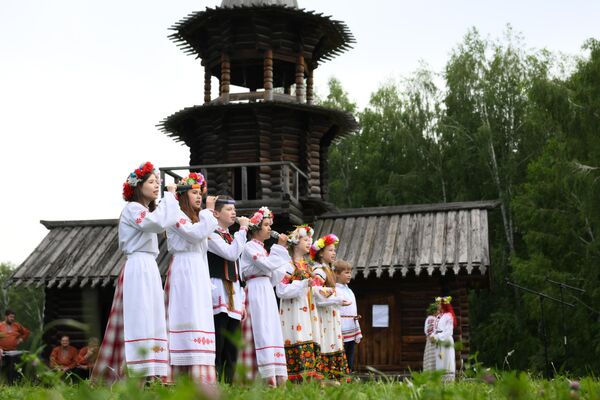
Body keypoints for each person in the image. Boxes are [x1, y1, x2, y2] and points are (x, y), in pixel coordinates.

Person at [93, 162, 179, 383]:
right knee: (139, 317)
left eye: (158, 182)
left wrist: (169, 201)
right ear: (138, 186)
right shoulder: (133, 209)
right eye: (151, 182)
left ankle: (151, 372)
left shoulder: (144, 210)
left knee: (152, 316)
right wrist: (170, 198)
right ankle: (136, 374)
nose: (157, 186)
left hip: (148, 265)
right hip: (138, 265)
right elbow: (158, 223)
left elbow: (161, 220)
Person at [165, 172, 220, 388]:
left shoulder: (197, 218)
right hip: (184, 268)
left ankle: (201, 374)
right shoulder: (177, 216)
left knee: (199, 315)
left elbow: (204, 232)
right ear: (182, 195)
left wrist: (205, 214)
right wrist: (207, 210)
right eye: (194, 192)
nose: (199, 196)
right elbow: (195, 234)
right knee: (186, 313)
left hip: (198, 268)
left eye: (200, 193)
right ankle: (179, 373)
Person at [239, 207, 290, 387]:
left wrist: (282, 264)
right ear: (256, 228)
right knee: (260, 330)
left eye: (270, 225)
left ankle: (276, 375)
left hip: (266, 290)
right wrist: (280, 248)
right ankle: (263, 378)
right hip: (255, 291)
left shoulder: (263, 249)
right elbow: (267, 265)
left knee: (270, 330)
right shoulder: (249, 246)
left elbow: (273, 275)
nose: (270, 229)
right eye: (266, 225)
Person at [207, 196, 250, 384]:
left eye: (234, 209)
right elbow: (231, 254)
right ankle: (215, 385)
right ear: (216, 213)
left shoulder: (231, 237)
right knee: (218, 342)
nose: (233, 213)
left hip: (233, 294)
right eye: (228, 209)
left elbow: (238, 270)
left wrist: (242, 300)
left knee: (232, 347)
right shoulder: (211, 234)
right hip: (217, 292)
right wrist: (243, 229)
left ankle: (230, 385)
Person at [276, 225, 322, 382]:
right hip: (294, 310)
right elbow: (281, 290)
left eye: (310, 239)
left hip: (308, 310)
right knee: (297, 337)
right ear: (296, 242)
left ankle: (309, 377)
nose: (309, 242)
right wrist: (303, 284)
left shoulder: (308, 266)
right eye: (305, 239)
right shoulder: (289, 266)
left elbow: (312, 289)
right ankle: (295, 377)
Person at [310, 234, 351, 383]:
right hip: (323, 315)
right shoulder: (319, 271)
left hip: (330, 313)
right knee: (326, 342)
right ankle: (325, 379)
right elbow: (317, 297)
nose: (334, 253)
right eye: (330, 250)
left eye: (334, 250)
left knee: (332, 342)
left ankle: (332, 378)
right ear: (321, 253)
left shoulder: (328, 270)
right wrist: (337, 300)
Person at [334, 260, 362, 372]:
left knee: (350, 354)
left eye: (350, 272)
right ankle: (341, 375)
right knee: (342, 353)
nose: (349, 275)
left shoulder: (349, 291)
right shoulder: (335, 290)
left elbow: (353, 310)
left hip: (351, 325)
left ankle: (348, 374)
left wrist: (357, 327)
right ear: (337, 273)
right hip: (342, 327)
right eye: (346, 272)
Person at [430, 296, 457, 382]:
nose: (438, 305)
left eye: (439, 304)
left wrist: (437, 337)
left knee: (447, 360)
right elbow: (436, 329)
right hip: (439, 341)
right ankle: (441, 382)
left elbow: (448, 331)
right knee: (440, 360)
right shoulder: (439, 316)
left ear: (443, 305)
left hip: (446, 341)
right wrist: (433, 335)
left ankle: (448, 382)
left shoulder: (448, 316)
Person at [0, 309, 30, 384]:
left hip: (13, 351)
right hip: (1, 350)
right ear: (6, 316)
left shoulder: (17, 325)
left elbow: (26, 332)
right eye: (10, 317)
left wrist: (21, 339)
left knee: (25, 357)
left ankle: (21, 381)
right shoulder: (0, 325)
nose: (12, 319)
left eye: (13, 317)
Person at [422, 303, 438, 372]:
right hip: (432, 341)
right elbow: (430, 331)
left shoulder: (431, 318)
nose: (438, 312)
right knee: (432, 359)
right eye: (437, 311)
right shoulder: (431, 318)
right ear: (434, 311)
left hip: (431, 340)